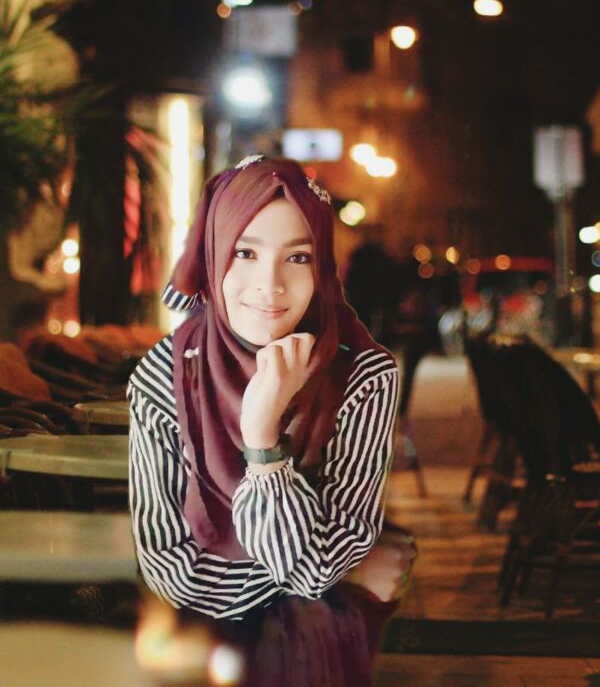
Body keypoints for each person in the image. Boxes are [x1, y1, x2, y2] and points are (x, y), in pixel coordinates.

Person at [128, 155, 415, 686]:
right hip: (198, 645)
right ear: (215, 255)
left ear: (321, 267)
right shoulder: (164, 374)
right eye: (245, 252)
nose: (271, 284)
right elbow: (169, 569)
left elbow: (318, 569)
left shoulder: (364, 375)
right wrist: (307, 578)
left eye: (298, 257)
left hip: (314, 649)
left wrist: (263, 444)